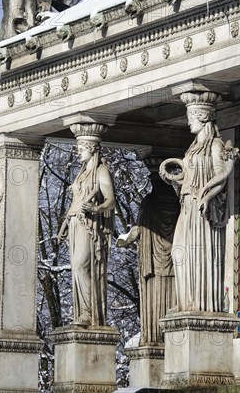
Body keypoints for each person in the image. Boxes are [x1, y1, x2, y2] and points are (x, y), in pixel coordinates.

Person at [160, 92, 238, 313]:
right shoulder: (192, 148)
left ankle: (200, 302)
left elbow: (221, 174)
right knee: (178, 252)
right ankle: (186, 299)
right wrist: (175, 180)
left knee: (197, 251)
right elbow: (190, 176)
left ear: (204, 117)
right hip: (187, 205)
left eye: (192, 116)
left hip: (200, 207)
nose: (188, 120)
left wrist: (206, 194)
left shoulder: (215, 145)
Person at [58, 125, 115, 326]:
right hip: (75, 222)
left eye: (81, 148)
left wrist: (96, 208)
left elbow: (111, 200)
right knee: (76, 268)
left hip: (89, 224)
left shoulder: (101, 171)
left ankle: (90, 313)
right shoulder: (81, 174)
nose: (78, 151)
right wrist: (65, 224)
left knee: (82, 265)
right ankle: (82, 312)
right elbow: (76, 201)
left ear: (92, 148)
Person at [117, 167, 178, 344]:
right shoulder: (178, 203)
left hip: (154, 263)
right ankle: (166, 336)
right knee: (172, 296)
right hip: (174, 261)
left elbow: (140, 229)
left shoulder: (150, 202)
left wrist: (127, 239)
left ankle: (154, 336)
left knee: (155, 300)